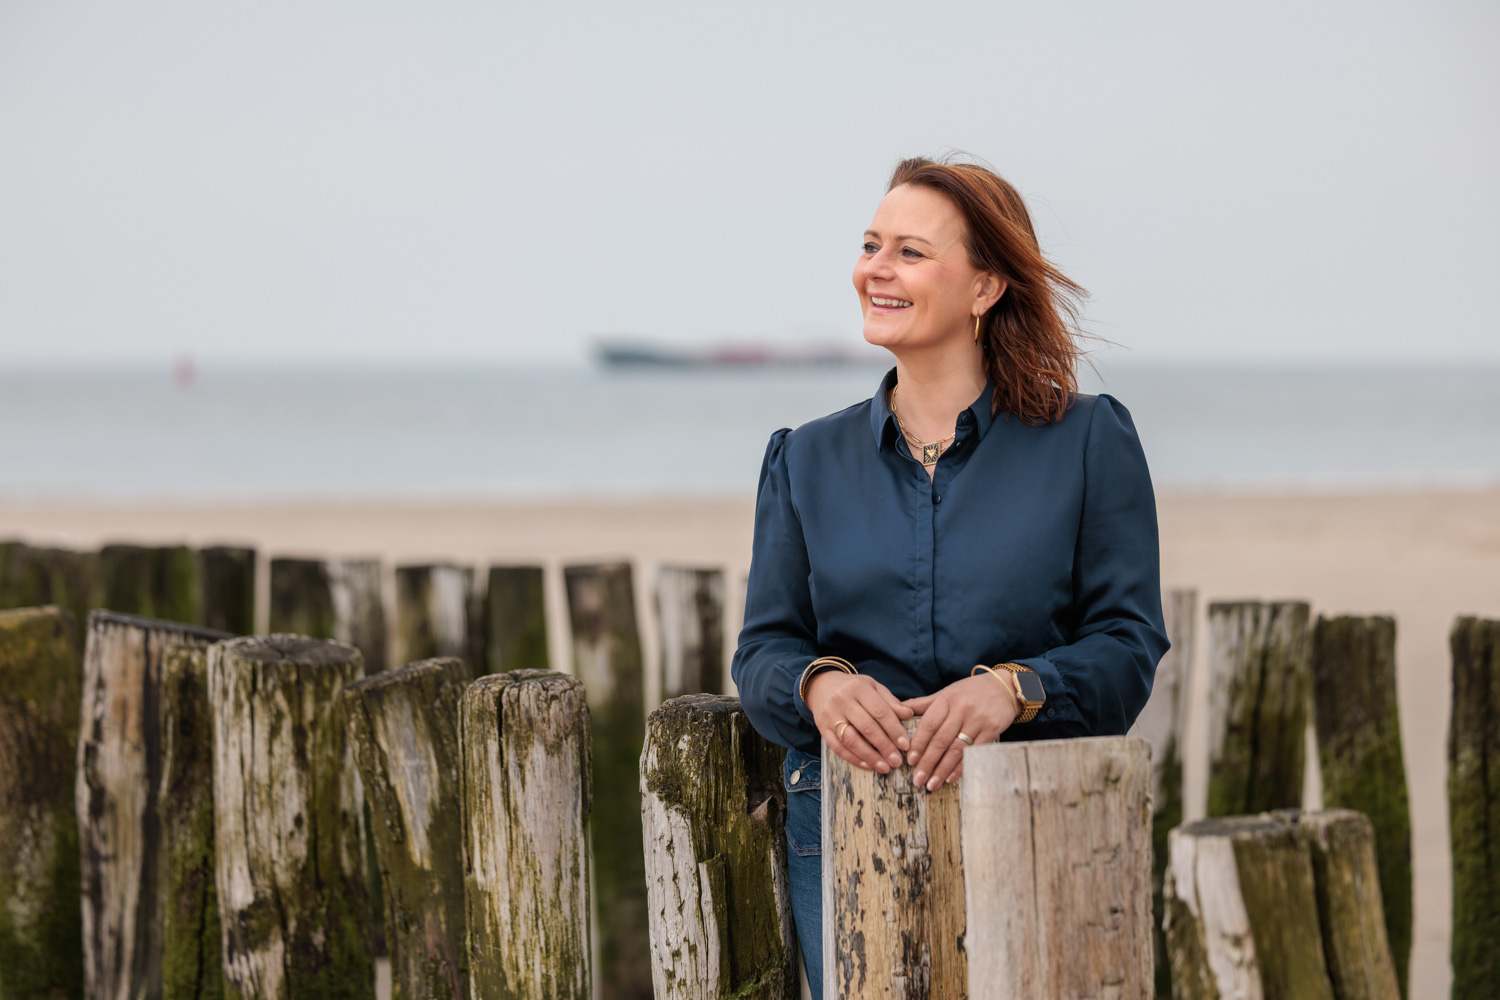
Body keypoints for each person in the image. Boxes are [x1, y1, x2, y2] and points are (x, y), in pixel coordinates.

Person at [729, 156, 1169, 999]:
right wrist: (818, 686)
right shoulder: (804, 458)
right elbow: (763, 651)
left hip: (1034, 815)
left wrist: (1015, 687)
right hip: (845, 825)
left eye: (911, 251)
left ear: (984, 288)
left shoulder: (1087, 441)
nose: (877, 269)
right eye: (870, 245)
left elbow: (1128, 646)